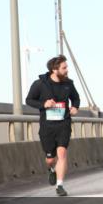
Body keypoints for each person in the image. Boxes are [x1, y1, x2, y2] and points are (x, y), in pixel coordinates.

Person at [25, 55, 80, 196]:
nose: (67, 70)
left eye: (66, 67)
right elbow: (29, 100)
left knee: (62, 153)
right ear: (54, 70)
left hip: (64, 123)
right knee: (50, 159)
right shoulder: (40, 84)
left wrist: (75, 107)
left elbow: (75, 98)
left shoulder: (68, 83)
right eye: (64, 67)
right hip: (47, 126)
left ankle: (60, 185)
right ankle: (51, 169)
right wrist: (44, 104)